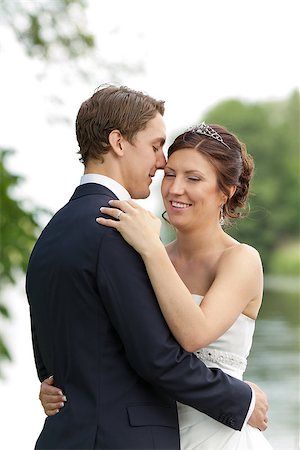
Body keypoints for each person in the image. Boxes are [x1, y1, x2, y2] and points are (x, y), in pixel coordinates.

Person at [27, 85, 267, 450]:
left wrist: (55, 376)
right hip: (134, 434)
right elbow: (157, 357)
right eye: (160, 153)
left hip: (206, 433)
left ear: (226, 191)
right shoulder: (120, 234)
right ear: (119, 143)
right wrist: (241, 399)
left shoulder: (54, 231)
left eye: (193, 177)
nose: (164, 175)